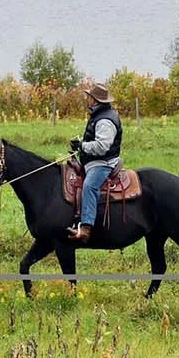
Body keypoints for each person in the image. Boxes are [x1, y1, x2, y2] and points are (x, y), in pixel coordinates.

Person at [68, 82, 122, 241]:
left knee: (89, 186)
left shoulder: (105, 120)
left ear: (95, 100)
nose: (88, 99)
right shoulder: (100, 115)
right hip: (94, 161)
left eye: (90, 97)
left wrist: (82, 146)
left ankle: (86, 227)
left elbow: (102, 147)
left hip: (103, 163)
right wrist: (80, 145)